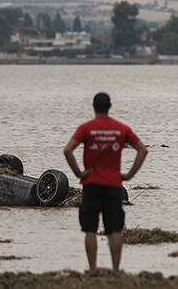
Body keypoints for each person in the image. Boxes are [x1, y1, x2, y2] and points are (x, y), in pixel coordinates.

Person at [63, 92, 148, 275]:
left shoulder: (86, 128)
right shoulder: (121, 128)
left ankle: (93, 270)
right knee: (114, 229)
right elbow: (142, 149)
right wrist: (129, 174)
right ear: (110, 106)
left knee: (90, 229)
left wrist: (78, 172)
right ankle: (116, 270)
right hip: (113, 185)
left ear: (94, 107)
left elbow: (68, 150)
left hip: (91, 183)